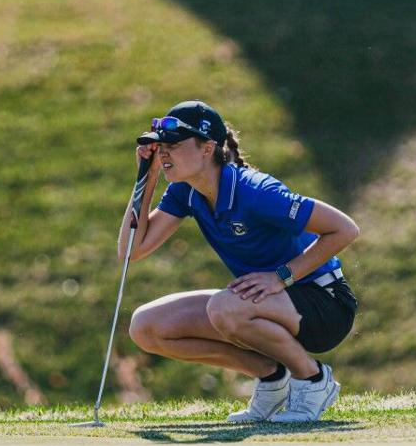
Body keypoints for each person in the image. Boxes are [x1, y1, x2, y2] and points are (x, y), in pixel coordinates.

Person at [121, 100, 360, 423]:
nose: (163, 153)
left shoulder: (255, 190)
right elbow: (132, 251)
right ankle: (272, 377)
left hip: (324, 303)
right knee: (146, 327)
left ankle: (314, 381)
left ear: (207, 149)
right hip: (265, 304)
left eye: (173, 146)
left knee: (225, 307)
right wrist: (145, 179)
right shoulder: (185, 191)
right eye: (160, 146)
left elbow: (344, 229)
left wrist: (280, 277)